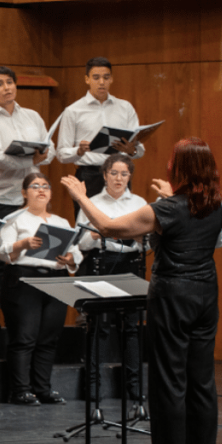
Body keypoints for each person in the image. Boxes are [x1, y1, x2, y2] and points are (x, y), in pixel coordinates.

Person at [62, 137, 222, 444]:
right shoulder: (214, 206)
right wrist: (172, 197)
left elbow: (108, 226)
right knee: (202, 385)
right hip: (206, 296)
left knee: (169, 384)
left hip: (174, 296)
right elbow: (192, 221)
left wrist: (81, 197)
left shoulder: (166, 209)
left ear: (178, 168)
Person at [0, 65, 55, 329]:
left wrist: (40, 157)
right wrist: (32, 160)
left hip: (31, 200)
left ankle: (22, 315)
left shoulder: (32, 116)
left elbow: (51, 151)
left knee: (30, 257)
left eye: (10, 82)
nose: (6, 87)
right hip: (1, 198)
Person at [0, 173, 81, 406]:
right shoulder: (14, 219)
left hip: (56, 279)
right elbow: (2, 251)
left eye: (45, 186)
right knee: (24, 337)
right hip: (25, 279)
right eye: (35, 186)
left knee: (49, 339)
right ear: (24, 193)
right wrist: (24, 244)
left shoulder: (60, 222)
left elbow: (76, 252)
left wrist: (70, 259)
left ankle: (43, 388)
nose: (41, 190)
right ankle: (20, 390)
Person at [75, 153, 147, 403]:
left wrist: (134, 235)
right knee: (99, 327)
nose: (118, 178)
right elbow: (81, 242)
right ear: (104, 175)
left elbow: (147, 241)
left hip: (130, 264)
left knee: (131, 328)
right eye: (114, 173)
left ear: (129, 176)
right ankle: (93, 388)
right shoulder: (92, 202)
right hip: (102, 263)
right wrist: (99, 233)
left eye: (124, 174)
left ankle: (134, 387)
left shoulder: (139, 202)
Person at [57, 57, 145, 216]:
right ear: (87, 79)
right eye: (96, 77)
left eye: (106, 77)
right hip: (89, 175)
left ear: (111, 79)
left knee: (123, 220)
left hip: (119, 174)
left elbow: (140, 150)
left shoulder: (125, 108)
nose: (101, 82)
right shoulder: (73, 111)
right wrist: (78, 151)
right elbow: (61, 154)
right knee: (87, 223)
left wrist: (131, 150)